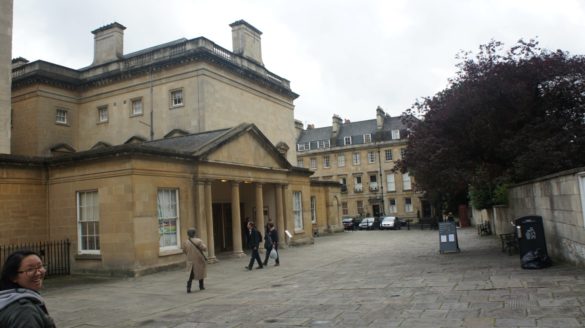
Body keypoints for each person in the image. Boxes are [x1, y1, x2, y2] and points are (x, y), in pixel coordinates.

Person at [0, 250, 56, 327]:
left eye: (40, 266)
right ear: (13, 277)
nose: (38, 273)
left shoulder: (5, 298)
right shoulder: (24, 311)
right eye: (30, 269)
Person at [181, 228, 208, 293]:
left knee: (190, 275)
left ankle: (188, 288)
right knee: (200, 272)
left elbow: (184, 251)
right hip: (199, 260)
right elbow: (204, 248)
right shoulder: (198, 241)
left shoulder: (185, 242)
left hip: (190, 260)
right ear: (194, 233)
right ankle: (201, 286)